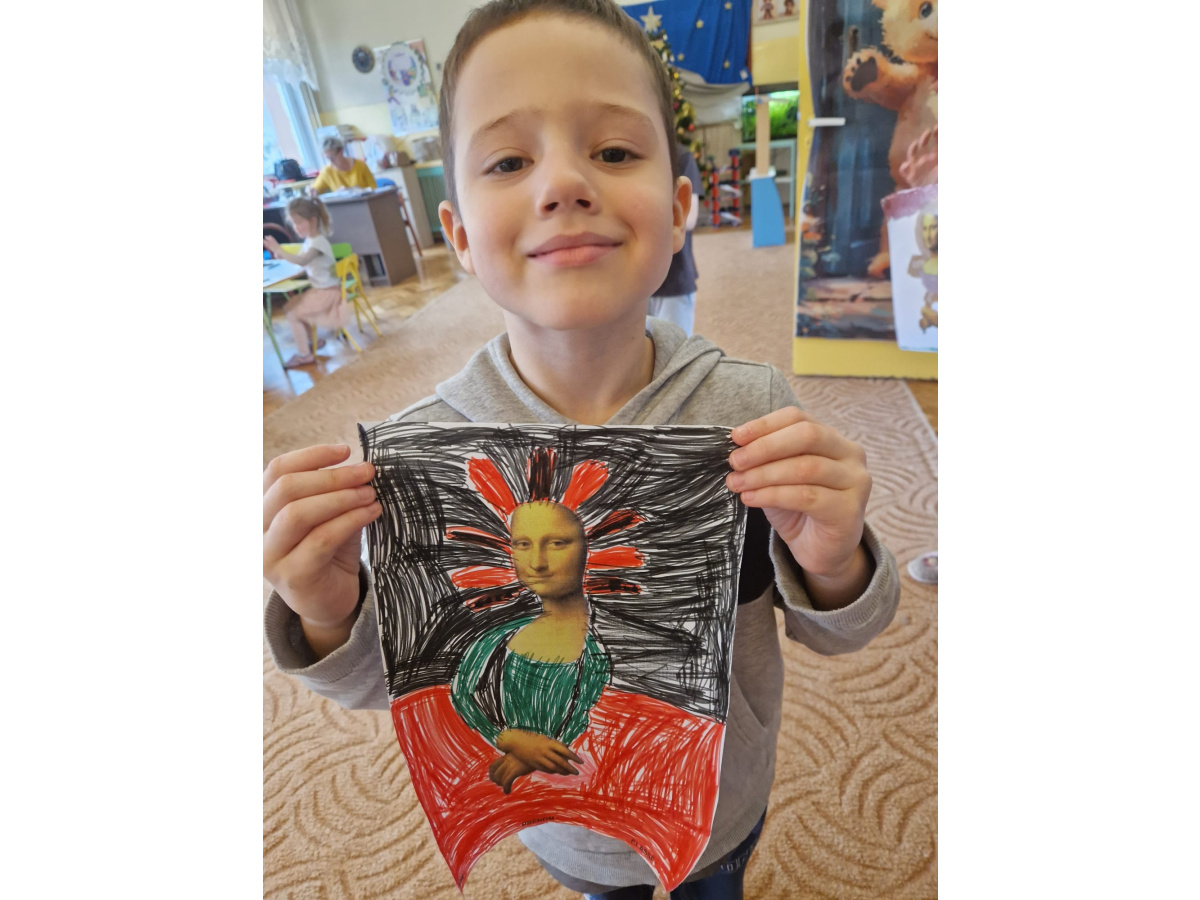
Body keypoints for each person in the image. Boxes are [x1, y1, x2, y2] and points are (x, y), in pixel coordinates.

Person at [262, 2, 900, 898]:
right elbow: (405, 681)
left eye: (614, 151)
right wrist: (328, 609)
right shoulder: (424, 458)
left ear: (679, 208)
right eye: (508, 161)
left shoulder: (750, 412)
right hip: (562, 828)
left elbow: (845, 628)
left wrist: (837, 561)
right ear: (459, 236)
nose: (563, 183)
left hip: (720, 808)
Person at [451, 496, 609, 794]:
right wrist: (507, 739)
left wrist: (531, 756)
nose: (537, 563)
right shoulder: (496, 641)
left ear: (589, 547)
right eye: (523, 544)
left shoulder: (601, 650)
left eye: (557, 543)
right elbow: (463, 696)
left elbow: (595, 719)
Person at [262, 197, 348, 368]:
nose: (296, 227)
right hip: (323, 290)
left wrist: (279, 249)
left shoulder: (317, 243)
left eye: (299, 223)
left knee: (293, 314)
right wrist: (283, 255)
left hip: (329, 293)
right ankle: (311, 342)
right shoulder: (310, 241)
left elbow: (303, 261)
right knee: (291, 307)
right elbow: (301, 262)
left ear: (312, 221)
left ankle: (304, 354)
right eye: (294, 224)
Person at [647, 143, 703, 335]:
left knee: (674, 348)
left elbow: (690, 219)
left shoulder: (681, 156)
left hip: (673, 279)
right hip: (633, 282)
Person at [310, 136, 378, 195]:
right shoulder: (327, 171)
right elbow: (316, 189)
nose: (331, 162)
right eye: (327, 159)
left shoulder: (361, 166)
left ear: (341, 151)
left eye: (332, 158)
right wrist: (312, 191)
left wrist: (353, 191)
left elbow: (374, 188)